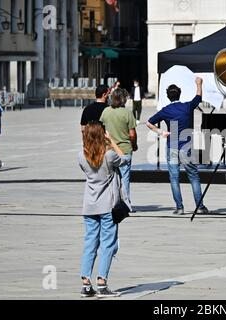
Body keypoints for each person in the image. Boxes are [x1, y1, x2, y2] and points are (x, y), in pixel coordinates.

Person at [147, 78, 209, 215]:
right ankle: (200, 206)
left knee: (174, 178)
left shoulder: (165, 110)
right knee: (193, 176)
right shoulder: (187, 106)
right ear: (179, 94)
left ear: (168, 96)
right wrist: (199, 84)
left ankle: (179, 207)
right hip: (186, 146)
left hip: (172, 146)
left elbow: (149, 122)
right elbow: (198, 97)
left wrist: (161, 132)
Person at [78, 121, 126, 298]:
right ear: (101, 135)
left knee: (90, 243)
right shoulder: (109, 156)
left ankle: (85, 284)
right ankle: (102, 283)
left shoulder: (81, 156)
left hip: (89, 205)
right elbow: (125, 159)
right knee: (108, 244)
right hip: (107, 206)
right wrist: (111, 141)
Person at [100, 88, 137, 203]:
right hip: (124, 150)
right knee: (124, 177)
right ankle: (125, 203)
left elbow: (102, 129)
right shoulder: (127, 113)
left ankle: (111, 202)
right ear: (123, 99)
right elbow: (132, 134)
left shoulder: (106, 111)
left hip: (109, 150)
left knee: (110, 177)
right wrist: (134, 145)